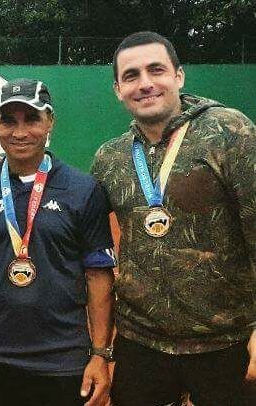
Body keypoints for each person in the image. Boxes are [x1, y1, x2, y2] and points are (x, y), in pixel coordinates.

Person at [90, 31, 255, 405]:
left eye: (156, 70)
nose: (145, 83)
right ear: (118, 89)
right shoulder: (110, 157)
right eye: (131, 76)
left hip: (226, 341)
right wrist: (5, 171)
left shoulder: (228, 132)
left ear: (178, 76)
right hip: (141, 343)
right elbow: (72, 214)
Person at [0, 78, 117, 406]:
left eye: (32, 119)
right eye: (8, 120)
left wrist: (99, 354)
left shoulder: (83, 190)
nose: (20, 132)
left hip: (64, 360)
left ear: (50, 121)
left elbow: (99, 277)